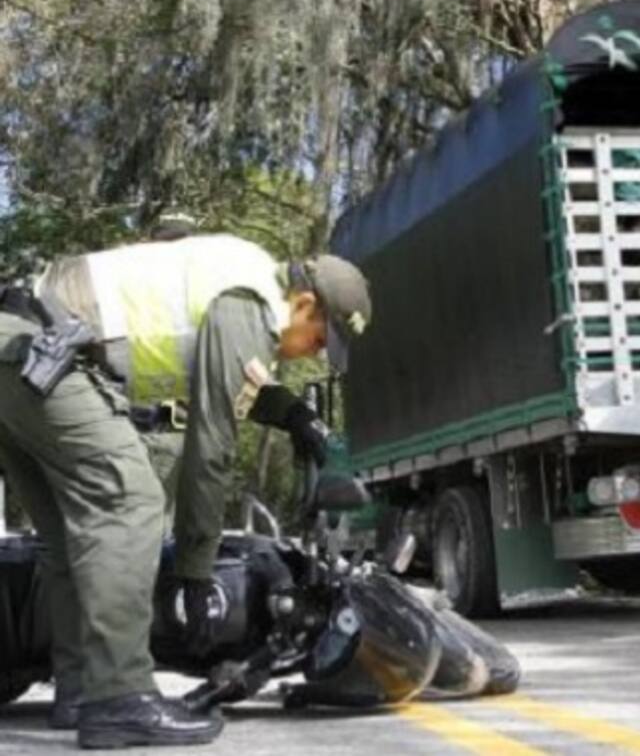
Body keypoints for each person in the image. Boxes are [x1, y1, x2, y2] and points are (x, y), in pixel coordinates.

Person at [0, 233, 371, 749]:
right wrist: (195, 572)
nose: (313, 353)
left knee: (68, 536)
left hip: (16, 349)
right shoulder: (250, 305)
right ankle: (119, 697)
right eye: (319, 340)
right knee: (130, 501)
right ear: (304, 304)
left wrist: (292, 413)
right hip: (42, 353)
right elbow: (212, 446)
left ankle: (82, 691)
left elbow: (231, 384)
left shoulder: (244, 281)